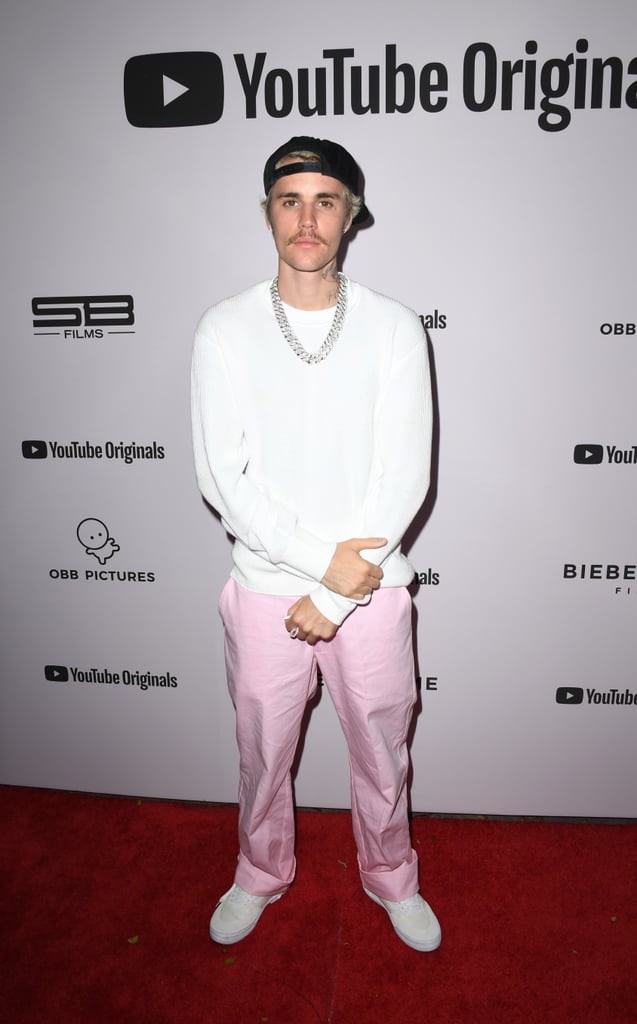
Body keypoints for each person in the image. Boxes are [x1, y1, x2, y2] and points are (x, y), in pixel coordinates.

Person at [191, 136, 440, 953]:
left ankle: (391, 874)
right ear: (267, 212)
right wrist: (314, 566)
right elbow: (223, 478)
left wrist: (336, 592)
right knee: (263, 756)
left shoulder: (396, 327)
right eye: (289, 199)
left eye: (325, 200)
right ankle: (260, 873)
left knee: (382, 749)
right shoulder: (223, 329)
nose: (307, 217)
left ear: (351, 216)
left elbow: (402, 478)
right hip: (265, 592)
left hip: (367, 590)